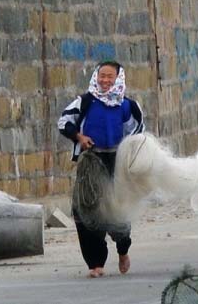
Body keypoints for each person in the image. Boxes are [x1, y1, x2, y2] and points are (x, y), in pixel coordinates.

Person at [58, 61, 145, 278]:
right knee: (86, 210)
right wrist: (79, 137)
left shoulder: (127, 106)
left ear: (119, 79)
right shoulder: (85, 101)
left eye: (110, 77)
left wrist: (129, 155)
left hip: (116, 162)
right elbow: (64, 122)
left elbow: (137, 133)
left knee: (117, 211)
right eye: (101, 76)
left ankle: (123, 249)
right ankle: (95, 263)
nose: (105, 81)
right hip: (91, 161)